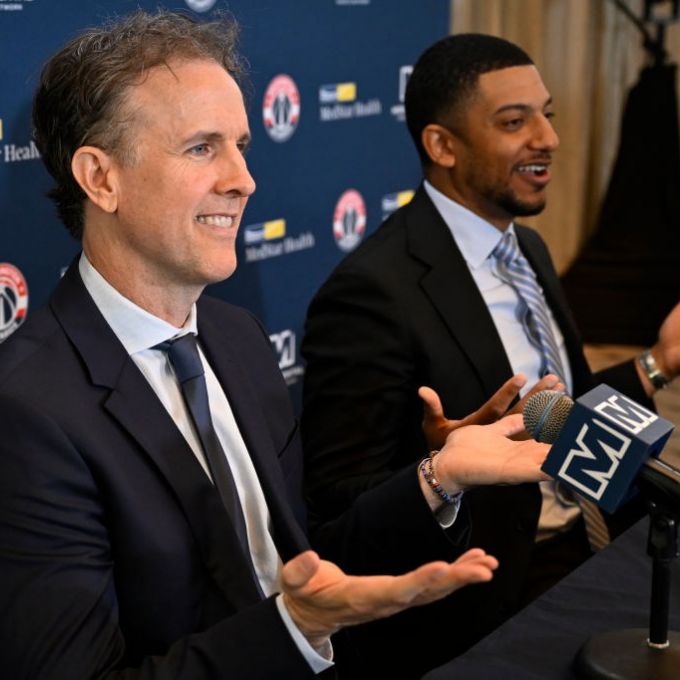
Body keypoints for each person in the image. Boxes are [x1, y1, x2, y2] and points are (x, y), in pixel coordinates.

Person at [0, 13, 553, 680]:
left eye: (240, 145)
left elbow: (307, 557)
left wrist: (438, 477)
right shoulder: (29, 411)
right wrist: (296, 628)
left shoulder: (238, 339)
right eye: (202, 148)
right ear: (101, 177)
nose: (243, 180)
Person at [302, 32, 680, 674]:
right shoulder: (370, 293)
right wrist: (443, 461)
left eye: (547, 114)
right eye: (515, 121)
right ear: (442, 145)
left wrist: (659, 363)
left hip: (591, 539)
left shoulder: (526, 249)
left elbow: (561, 417)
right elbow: (339, 512)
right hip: (484, 592)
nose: (549, 138)